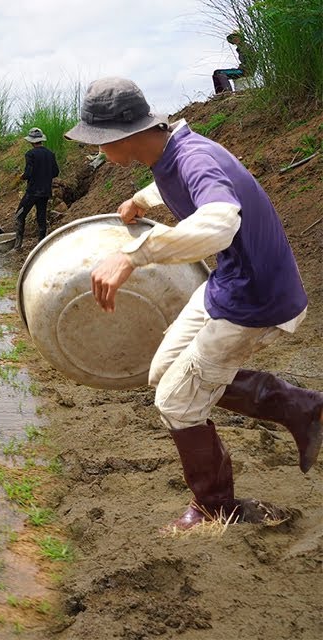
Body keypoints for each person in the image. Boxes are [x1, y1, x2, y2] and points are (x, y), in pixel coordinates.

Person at [68, 77, 320, 532]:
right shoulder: (171, 154)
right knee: (163, 373)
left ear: (122, 136)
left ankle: (216, 505)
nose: (100, 152)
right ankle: (302, 407)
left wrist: (135, 254)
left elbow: (220, 223)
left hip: (256, 296)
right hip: (229, 280)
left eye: (100, 142)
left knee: (176, 402)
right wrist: (140, 199)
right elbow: (174, 185)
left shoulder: (195, 157)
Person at [13, 127, 60, 250]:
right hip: (45, 192)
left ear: (31, 141)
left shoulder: (30, 154)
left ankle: (17, 245)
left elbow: (28, 173)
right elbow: (55, 172)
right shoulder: (50, 154)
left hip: (32, 192)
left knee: (19, 215)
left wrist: (22, 177)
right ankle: (40, 245)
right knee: (41, 217)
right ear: (41, 140)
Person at [212, 30, 255, 95]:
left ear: (241, 37)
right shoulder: (240, 48)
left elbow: (253, 59)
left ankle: (227, 93)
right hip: (242, 70)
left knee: (219, 73)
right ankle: (220, 94)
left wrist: (246, 68)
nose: (234, 39)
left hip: (245, 71)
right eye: (233, 38)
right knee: (216, 73)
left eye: (236, 37)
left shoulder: (246, 46)